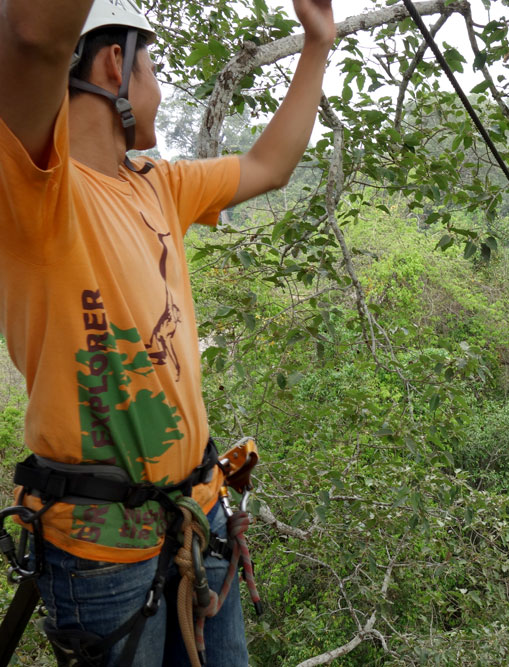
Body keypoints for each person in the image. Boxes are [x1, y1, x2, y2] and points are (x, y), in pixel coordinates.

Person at [0, 0, 337, 664]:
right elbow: (33, 35)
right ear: (112, 63)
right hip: (101, 549)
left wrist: (317, 43)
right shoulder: (38, 190)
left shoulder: (158, 185)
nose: (160, 87)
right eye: (152, 66)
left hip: (196, 516)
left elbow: (269, 167)